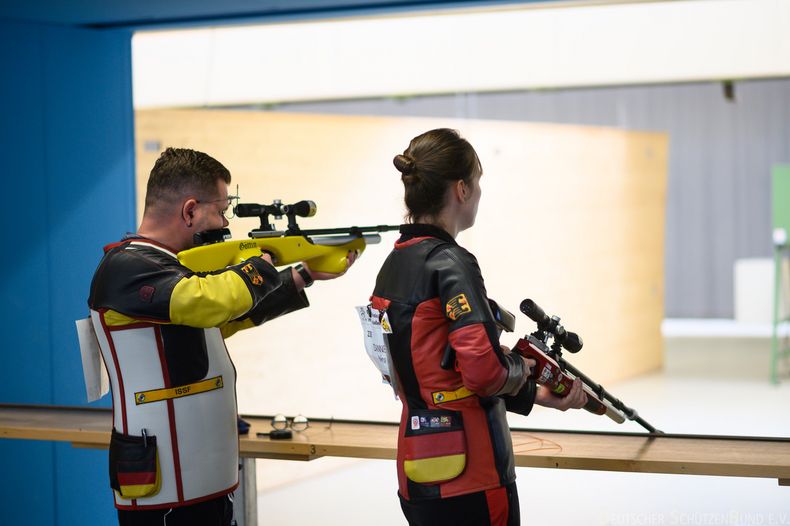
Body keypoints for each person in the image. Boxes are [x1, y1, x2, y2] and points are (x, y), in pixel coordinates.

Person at [88, 147, 353, 526]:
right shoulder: (128, 266)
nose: (225, 220)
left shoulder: (168, 269)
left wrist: (302, 274)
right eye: (221, 210)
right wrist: (259, 267)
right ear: (190, 210)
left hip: (198, 478)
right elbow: (208, 302)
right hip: (163, 487)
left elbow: (220, 320)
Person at [370, 129, 587, 526]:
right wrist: (520, 366)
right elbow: (484, 374)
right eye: (478, 182)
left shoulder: (394, 263)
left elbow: (434, 369)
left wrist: (534, 394)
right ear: (461, 190)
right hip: (472, 473)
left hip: (417, 467)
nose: (480, 193)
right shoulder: (452, 262)